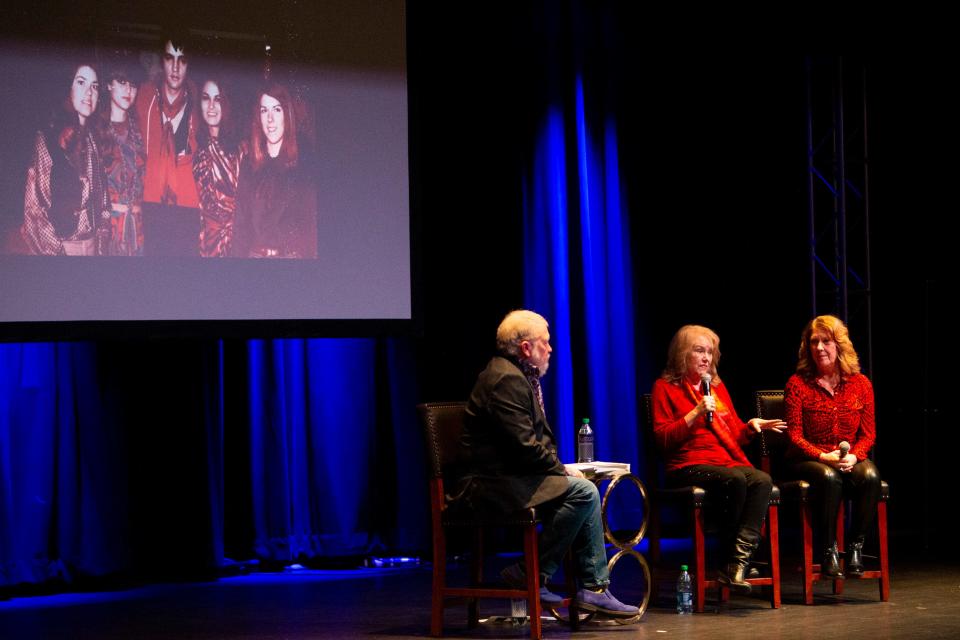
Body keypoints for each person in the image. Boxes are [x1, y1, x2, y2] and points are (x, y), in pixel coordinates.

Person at [459, 310, 638, 618]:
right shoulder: (505, 380)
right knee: (583, 492)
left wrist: (559, 469)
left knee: (583, 490)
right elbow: (524, 446)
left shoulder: (515, 376)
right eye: (546, 342)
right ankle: (535, 573)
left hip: (512, 478)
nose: (551, 349)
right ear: (526, 348)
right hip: (490, 487)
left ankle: (592, 588)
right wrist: (559, 469)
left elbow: (527, 445)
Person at [651, 325, 785, 592]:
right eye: (699, 351)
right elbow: (662, 438)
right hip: (686, 465)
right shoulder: (664, 388)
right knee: (735, 478)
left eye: (710, 353)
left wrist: (750, 426)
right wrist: (695, 413)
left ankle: (737, 563)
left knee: (761, 480)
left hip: (723, 462)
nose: (706, 358)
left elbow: (734, 432)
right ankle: (730, 559)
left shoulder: (716, 389)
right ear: (682, 355)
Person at [784, 315, 881, 579]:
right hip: (808, 457)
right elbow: (794, 436)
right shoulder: (798, 384)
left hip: (847, 456)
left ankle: (855, 548)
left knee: (870, 475)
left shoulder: (861, 384)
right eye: (814, 342)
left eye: (826, 341)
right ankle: (828, 551)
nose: (819, 348)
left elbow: (869, 434)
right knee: (828, 477)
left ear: (839, 345)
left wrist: (856, 456)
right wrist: (822, 455)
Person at [22, 61, 110, 255]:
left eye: (94, 86)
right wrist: (57, 255)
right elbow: (34, 209)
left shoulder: (94, 138)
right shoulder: (47, 139)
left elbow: (103, 199)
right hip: (64, 248)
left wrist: (102, 245)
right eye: (81, 83)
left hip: (94, 247)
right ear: (68, 88)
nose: (89, 92)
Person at [232, 82, 317, 259]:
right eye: (264, 111)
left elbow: (310, 227)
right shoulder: (249, 166)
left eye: (276, 110)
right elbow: (240, 228)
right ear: (258, 117)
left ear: (287, 115)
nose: (270, 119)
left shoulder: (303, 165)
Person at [135, 33, 202, 256]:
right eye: (169, 58)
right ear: (161, 61)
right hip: (151, 206)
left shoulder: (199, 103)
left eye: (182, 60)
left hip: (187, 210)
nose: (175, 67)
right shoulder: (144, 97)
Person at [99, 55, 145, 256]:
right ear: (109, 85)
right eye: (122, 82)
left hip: (138, 229)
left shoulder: (140, 131)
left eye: (133, 85)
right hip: (107, 229)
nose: (128, 91)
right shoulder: (96, 129)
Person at [192, 76, 242, 257]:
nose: (211, 106)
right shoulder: (198, 152)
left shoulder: (241, 150)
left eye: (218, 99)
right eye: (206, 98)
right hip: (207, 245)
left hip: (237, 242)